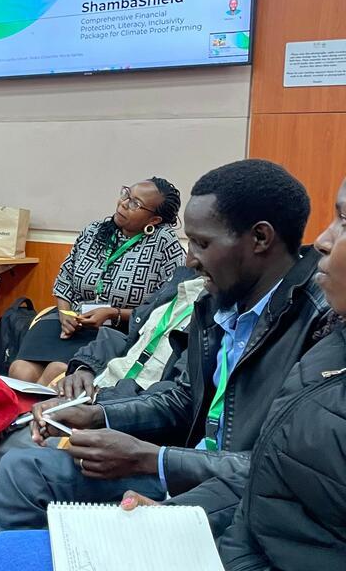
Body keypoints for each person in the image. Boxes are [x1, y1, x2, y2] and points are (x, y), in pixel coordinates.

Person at [0, 160, 328, 550]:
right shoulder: (219, 302)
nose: (190, 260)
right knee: (22, 469)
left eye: (203, 244)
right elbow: (182, 398)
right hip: (189, 470)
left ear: (260, 238)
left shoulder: (320, 324)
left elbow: (279, 468)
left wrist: (153, 460)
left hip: (244, 501)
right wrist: (98, 413)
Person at [0, 267, 201, 571]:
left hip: (123, 423)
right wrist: (83, 368)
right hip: (93, 389)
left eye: (202, 245)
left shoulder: (216, 314)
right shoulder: (184, 279)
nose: (192, 256)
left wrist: (98, 407)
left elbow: (175, 403)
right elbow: (126, 338)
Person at [120, 175, 346, 569]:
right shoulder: (327, 350)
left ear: (260, 239)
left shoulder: (313, 323)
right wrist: (176, 519)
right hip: (212, 504)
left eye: (345, 221)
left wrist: (160, 466)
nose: (323, 241)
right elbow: (269, 482)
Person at [12, 179, 185, 385]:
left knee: (58, 373)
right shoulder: (93, 231)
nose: (123, 203)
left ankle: (42, 408)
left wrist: (113, 313)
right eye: (126, 195)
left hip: (118, 331)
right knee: (20, 370)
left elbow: (168, 306)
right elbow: (64, 281)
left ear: (154, 219)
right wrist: (65, 313)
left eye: (135, 204)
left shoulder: (164, 244)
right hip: (70, 322)